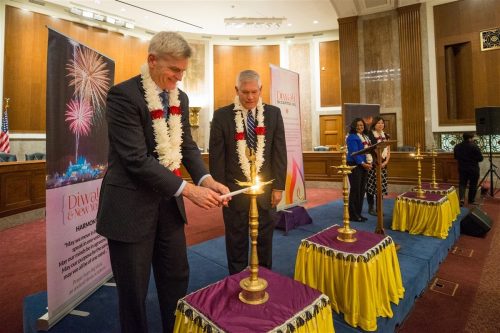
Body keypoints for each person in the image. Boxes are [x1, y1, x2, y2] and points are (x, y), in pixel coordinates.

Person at [96, 31, 229, 333]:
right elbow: (135, 160)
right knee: (134, 293)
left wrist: (206, 179)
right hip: (130, 210)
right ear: (152, 60)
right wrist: (189, 190)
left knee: (176, 280)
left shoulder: (179, 97)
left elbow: (187, 147)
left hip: (168, 210)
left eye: (183, 70)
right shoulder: (123, 96)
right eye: (174, 70)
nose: (180, 77)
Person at [209, 69, 287, 275]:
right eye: (245, 92)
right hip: (234, 192)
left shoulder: (273, 114)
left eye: (254, 92)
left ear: (261, 90)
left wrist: (279, 187)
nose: (250, 97)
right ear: (237, 90)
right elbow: (217, 158)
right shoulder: (222, 116)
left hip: (266, 192)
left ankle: (264, 275)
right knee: (236, 239)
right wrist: (221, 190)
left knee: (265, 238)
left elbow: (279, 153)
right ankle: (236, 278)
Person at [346, 118, 372, 222]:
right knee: (355, 189)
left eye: (362, 125)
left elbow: (367, 151)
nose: (360, 127)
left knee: (361, 190)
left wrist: (369, 163)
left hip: (364, 165)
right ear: (354, 126)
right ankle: (352, 215)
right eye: (358, 125)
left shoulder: (365, 136)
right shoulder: (352, 137)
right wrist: (362, 163)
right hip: (355, 164)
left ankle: (358, 213)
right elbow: (354, 153)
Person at [366, 116, 391, 216]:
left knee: (380, 186)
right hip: (374, 163)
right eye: (378, 123)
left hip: (383, 164)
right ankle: (371, 207)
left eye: (382, 123)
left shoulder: (386, 135)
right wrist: (380, 161)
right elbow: (372, 149)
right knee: (372, 186)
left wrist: (386, 162)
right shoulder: (370, 134)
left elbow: (389, 150)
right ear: (374, 124)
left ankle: (379, 208)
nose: (381, 125)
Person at [453, 132, 483, 206]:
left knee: (462, 183)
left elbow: (456, 157)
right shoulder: (475, 146)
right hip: (473, 169)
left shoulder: (457, 146)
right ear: (470, 138)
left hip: (462, 168)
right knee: (473, 184)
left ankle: (462, 199)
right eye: (473, 138)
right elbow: (480, 158)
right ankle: (471, 200)